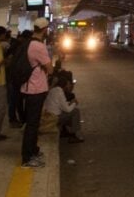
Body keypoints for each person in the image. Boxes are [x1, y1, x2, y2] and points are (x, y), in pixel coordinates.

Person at [20, 20, 53, 168]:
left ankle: (33, 150)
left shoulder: (28, 42)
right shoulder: (39, 46)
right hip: (35, 89)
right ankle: (27, 158)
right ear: (44, 29)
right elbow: (50, 69)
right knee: (32, 125)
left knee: (32, 123)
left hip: (29, 88)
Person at [44, 75, 83, 143]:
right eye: (68, 84)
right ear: (64, 85)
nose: (69, 86)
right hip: (54, 117)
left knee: (68, 111)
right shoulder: (60, 92)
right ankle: (72, 135)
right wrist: (74, 103)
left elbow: (61, 104)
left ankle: (64, 131)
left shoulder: (53, 90)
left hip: (50, 114)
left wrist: (69, 103)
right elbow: (67, 109)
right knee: (76, 112)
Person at [7, 29, 30, 128]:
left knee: (16, 99)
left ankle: (20, 119)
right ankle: (14, 119)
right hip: (15, 77)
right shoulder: (19, 47)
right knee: (15, 99)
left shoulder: (17, 45)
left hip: (14, 77)